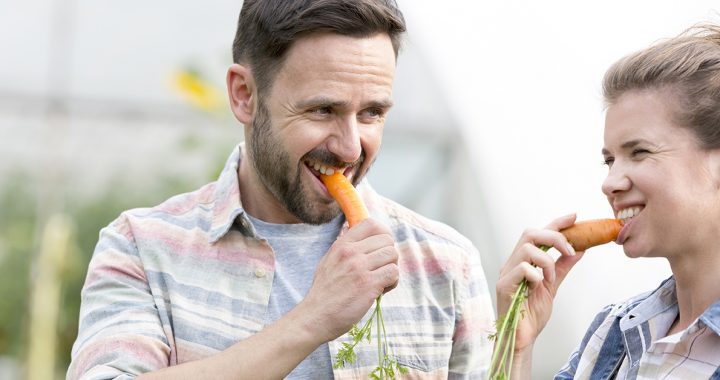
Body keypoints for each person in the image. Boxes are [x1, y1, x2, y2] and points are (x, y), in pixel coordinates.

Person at [67, 1, 494, 379]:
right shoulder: (141, 248)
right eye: (323, 109)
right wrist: (312, 319)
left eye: (371, 113)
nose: (350, 147)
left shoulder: (447, 264)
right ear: (244, 95)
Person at [496, 24, 720, 379]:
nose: (610, 183)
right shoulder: (613, 334)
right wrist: (516, 347)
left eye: (640, 151)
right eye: (609, 160)